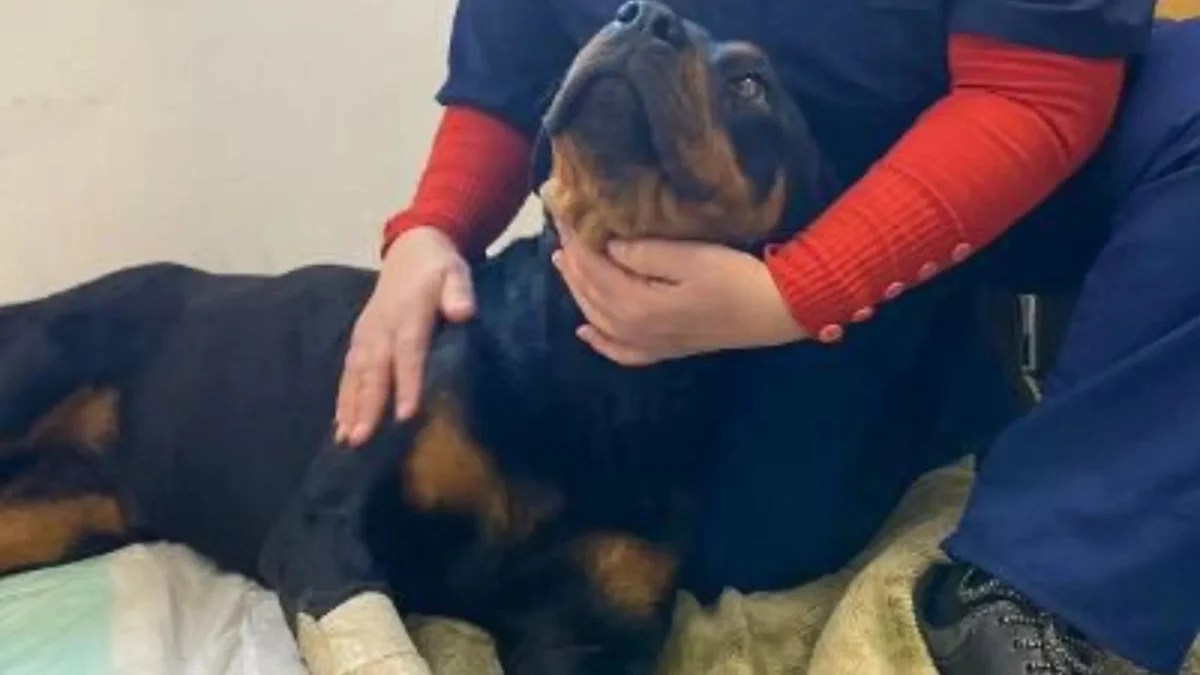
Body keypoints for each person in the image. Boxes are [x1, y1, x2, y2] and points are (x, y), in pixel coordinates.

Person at [334, 1, 1200, 673]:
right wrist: (432, 228)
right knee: (743, 551)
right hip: (662, 265)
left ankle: (1042, 586)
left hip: (962, 186)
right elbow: (511, 62)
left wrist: (802, 290)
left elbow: (1036, 86)